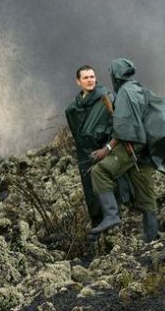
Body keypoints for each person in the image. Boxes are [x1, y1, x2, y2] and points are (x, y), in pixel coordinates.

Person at [89, 59, 165, 241]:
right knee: (146, 194)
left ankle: (111, 216)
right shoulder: (140, 89)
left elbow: (124, 127)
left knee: (100, 172)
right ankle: (152, 238)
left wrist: (106, 149)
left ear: (116, 76)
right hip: (145, 149)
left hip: (131, 145)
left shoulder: (124, 93)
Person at [65, 65, 116, 226]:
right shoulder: (72, 109)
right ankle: (98, 226)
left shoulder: (105, 97)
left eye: (92, 77)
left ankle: (114, 223)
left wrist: (107, 147)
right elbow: (76, 134)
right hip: (85, 155)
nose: (90, 80)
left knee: (110, 187)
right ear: (78, 81)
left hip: (105, 150)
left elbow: (116, 123)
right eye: (86, 77)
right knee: (90, 193)